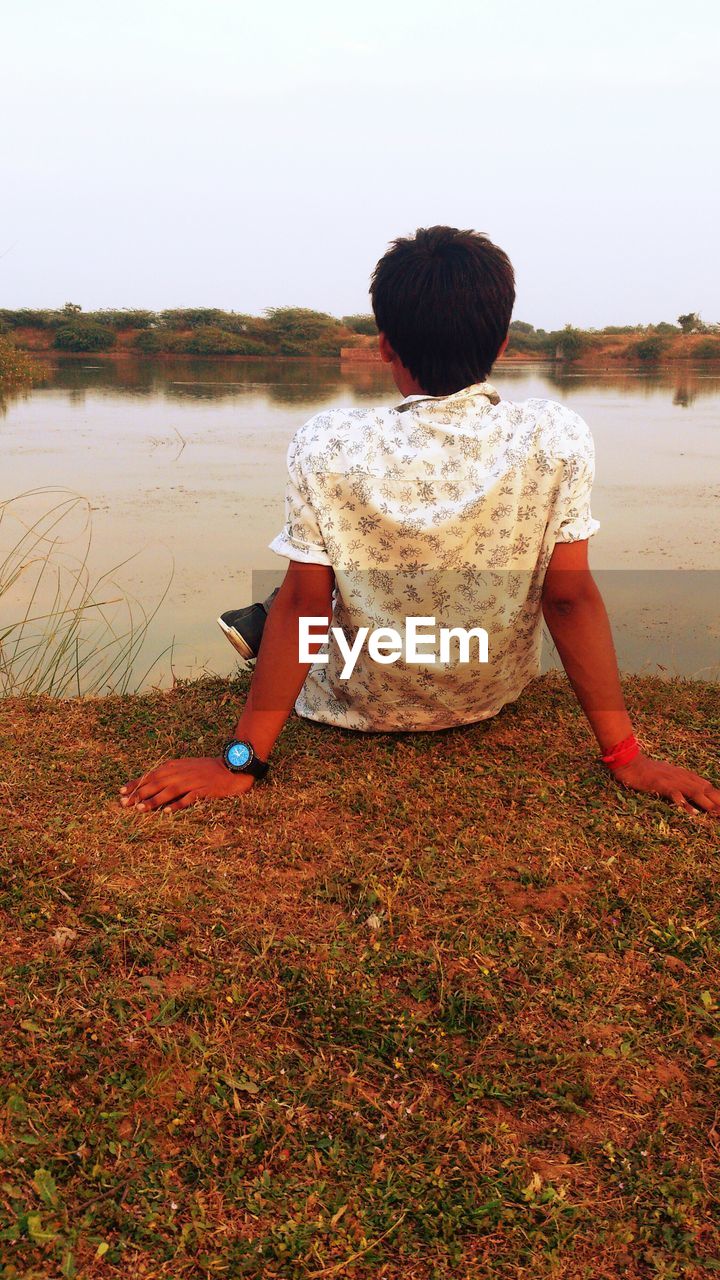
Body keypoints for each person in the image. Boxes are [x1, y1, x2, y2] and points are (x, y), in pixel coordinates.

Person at [120, 226, 720, 817]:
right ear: (503, 343)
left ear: (384, 345)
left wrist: (237, 763)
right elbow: (568, 601)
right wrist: (626, 757)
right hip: (484, 698)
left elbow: (308, 607)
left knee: (302, 587)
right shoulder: (555, 435)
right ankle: (263, 622)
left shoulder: (329, 440)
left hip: (352, 705)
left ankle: (256, 626)